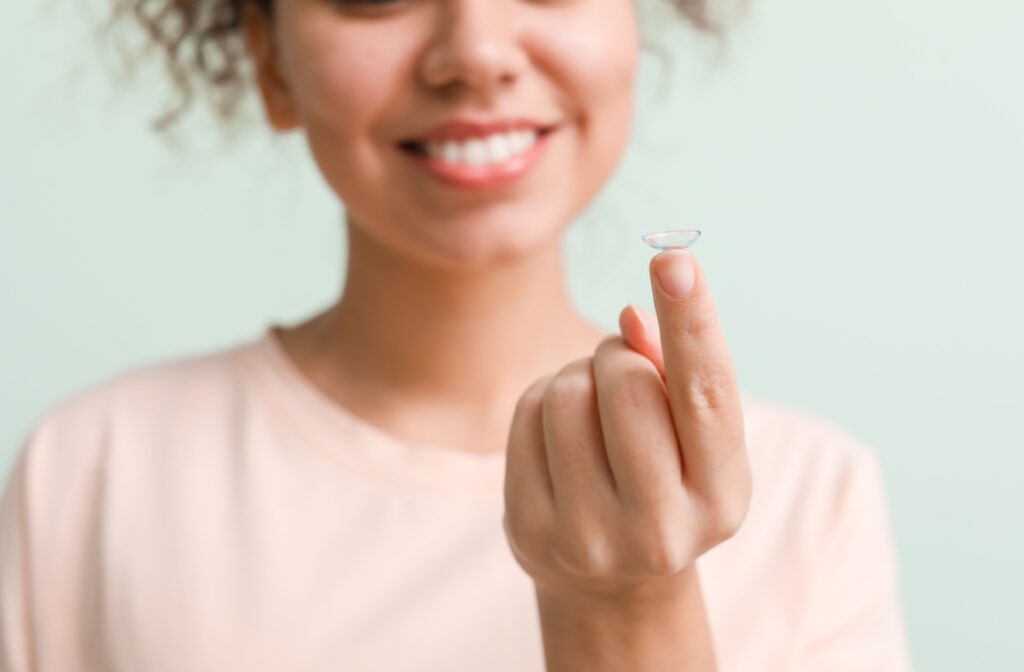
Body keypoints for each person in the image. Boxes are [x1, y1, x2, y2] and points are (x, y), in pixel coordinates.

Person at [0, 0, 913, 669]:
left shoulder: (809, 501)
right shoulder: (92, 474)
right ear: (273, 65)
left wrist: (630, 610)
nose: (476, 52)